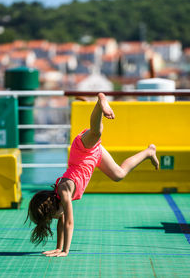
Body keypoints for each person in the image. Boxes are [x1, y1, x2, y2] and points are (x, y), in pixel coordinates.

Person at [26, 93, 159, 258]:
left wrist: (66, 251)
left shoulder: (64, 190)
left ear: (52, 209)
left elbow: (68, 222)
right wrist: (58, 247)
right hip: (92, 157)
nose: (54, 220)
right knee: (119, 174)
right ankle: (149, 151)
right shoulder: (58, 200)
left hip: (81, 151)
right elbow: (61, 221)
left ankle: (100, 101)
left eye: (50, 218)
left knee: (96, 132)